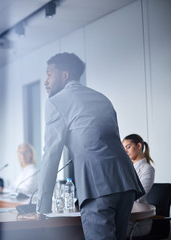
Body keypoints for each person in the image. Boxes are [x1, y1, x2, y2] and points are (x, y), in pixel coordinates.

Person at [37, 52, 145, 240]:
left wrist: (42, 207)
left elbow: (51, 156)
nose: (46, 81)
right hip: (126, 183)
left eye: (49, 74)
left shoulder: (56, 102)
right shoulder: (101, 98)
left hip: (98, 186)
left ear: (65, 75)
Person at [123, 134, 155, 237]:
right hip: (126, 216)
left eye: (128, 147)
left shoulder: (147, 169)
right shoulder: (127, 168)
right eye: (123, 148)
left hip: (138, 222)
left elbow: (137, 196)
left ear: (139, 146)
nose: (126, 151)